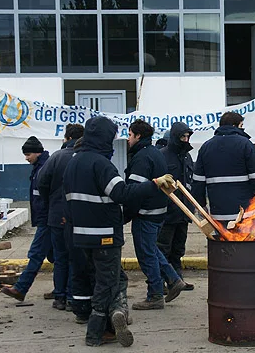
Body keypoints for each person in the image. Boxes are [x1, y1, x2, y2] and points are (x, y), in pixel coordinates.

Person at [63, 116, 174, 347]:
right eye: (112, 137)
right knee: (107, 282)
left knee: (108, 279)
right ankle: (96, 332)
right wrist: (154, 184)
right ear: (104, 138)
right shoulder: (101, 164)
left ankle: (113, 323)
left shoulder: (73, 161)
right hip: (104, 234)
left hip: (80, 235)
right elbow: (122, 193)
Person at [124, 119, 187, 310]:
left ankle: (155, 295)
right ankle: (173, 279)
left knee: (146, 254)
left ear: (138, 135)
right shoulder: (155, 153)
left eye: (129, 135)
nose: (128, 139)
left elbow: (134, 191)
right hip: (159, 212)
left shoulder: (142, 157)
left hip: (146, 213)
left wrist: (125, 215)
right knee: (151, 249)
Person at [37, 124, 84, 311]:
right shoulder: (83, 159)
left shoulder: (56, 157)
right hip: (77, 215)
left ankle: (60, 296)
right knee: (75, 257)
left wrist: (51, 202)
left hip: (56, 215)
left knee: (60, 257)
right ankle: (74, 296)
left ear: (66, 137)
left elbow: (42, 183)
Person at [192, 112, 255, 227]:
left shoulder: (206, 147)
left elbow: (198, 182)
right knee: (245, 243)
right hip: (245, 213)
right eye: (241, 126)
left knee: (222, 244)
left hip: (218, 213)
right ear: (235, 126)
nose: (243, 129)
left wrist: (201, 205)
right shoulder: (245, 144)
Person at [1, 136, 51, 301]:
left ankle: (21, 288)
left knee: (36, 254)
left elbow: (45, 197)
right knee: (56, 257)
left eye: (28, 154)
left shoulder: (43, 168)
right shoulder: (40, 167)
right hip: (47, 219)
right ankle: (62, 291)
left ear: (37, 152)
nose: (26, 158)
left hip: (47, 220)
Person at [157, 122, 195, 292]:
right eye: (182, 137)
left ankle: (177, 279)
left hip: (183, 211)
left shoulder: (187, 157)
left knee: (178, 248)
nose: (185, 140)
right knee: (163, 247)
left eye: (187, 137)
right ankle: (162, 282)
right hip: (167, 211)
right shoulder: (162, 155)